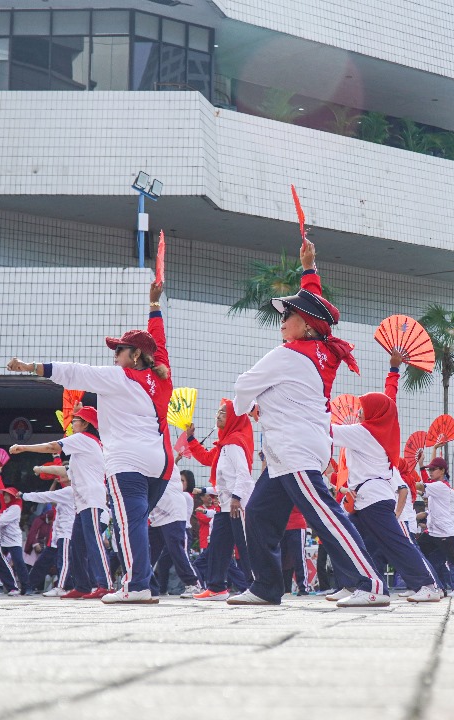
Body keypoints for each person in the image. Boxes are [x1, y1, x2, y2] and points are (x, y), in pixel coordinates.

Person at [227, 238, 385, 607]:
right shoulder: (319, 350)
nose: (282, 321)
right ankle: (267, 588)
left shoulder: (288, 355)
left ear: (306, 325)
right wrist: (309, 267)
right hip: (294, 447)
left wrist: (244, 406)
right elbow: (314, 301)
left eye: (288, 316)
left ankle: (370, 585)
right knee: (260, 513)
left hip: (294, 448)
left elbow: (243, 385)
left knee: (324, 516)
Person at [7, 280, 174, 604]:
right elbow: (160, 341)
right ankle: (141, 581)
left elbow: (74, 372)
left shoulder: (118, 378)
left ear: (135, 354)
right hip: (160, 463)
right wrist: (155, 306)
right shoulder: (161, 375)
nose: (115, 355)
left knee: (130, 525)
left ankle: (137, 585)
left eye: (120, 350)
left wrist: (30, 367)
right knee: (135, 524)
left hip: (127, 460)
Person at [332, 355, 440, 603]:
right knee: (350, 542)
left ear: (372, 412)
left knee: (395, 544)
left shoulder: (363, 433)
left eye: (362, 407)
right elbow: (389, 401)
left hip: (373, 500)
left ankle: (426, 585)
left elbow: (325, 432)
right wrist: (393, 370)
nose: (358, 410)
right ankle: (362, 586)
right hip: (365, 499)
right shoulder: (382, 430)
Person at [10, 406, 112, 599]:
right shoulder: (86, 444)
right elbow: (65, 472)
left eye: (75, 420)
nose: (72, 423)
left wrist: (24, 447)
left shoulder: (84, 439)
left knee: (93, 543)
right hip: (83, 502)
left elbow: (52, 447)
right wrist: (42, 468)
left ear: (86, 424)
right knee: (77, 546)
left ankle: (105, 584)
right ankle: (82, 585)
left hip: (91, 499)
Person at [185, 399, 255, 601]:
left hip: (237, 504)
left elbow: (244, 475)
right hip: (226, 505)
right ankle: (216, 588)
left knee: (245, 547)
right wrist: (191, 439)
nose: (218, 415)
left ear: (234, 417)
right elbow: (207, 459)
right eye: (218, 411)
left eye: (224, 412)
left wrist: (236, 498)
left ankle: (257, 587)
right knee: (218, 546)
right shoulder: (225, 444)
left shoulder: (235, 443)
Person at [417, 457, 454, 597]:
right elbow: (425, 486)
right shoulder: (436, 487)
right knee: (425, 554)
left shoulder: (441, 487)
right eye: (429, 470)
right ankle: (440, 587)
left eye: (433, 469)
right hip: (434, 531)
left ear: (443, 470)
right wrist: (421, 466)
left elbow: (422, 485)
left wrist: (404, 482)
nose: (430, 472)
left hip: (446, 531)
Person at [148, 467, 204, 598]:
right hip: (157, 515)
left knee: (177, 550)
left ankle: (193, 583)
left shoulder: (185, 495)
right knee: (150, 551)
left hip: (173, 514)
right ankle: (144, 583)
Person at [21, 472, 75, 598]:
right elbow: (50, 499)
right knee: (45, 562)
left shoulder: (70, 491)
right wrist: (55, 482)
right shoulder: (65, 492)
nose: (59, 474)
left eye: (63, 472)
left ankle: (62, 587)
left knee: (64, 562)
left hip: (67, 533)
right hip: (58, 535)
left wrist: (24, 496)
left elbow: (46, 496)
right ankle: (29, 587)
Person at [0, 485, 27, 590]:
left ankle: (26, 587)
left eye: (8, 495)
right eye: (4, 495)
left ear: (13, 497)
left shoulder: (15, 507)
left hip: (14, 540)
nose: (5, 497)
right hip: (3, 540)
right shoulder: (6, 509)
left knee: (19, 562)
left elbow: (2, 522)